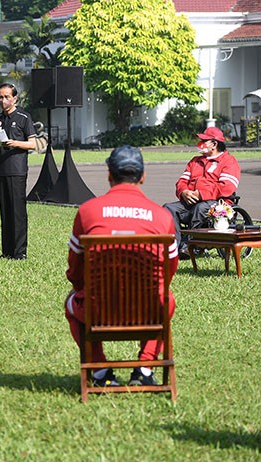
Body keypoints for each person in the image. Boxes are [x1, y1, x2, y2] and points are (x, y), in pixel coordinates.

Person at [65, 145, 179, 387]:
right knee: (167, 300)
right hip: (149, 311)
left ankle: (100, 372)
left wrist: (81, 290)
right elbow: (169, 269)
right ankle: (145, 368)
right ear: (143, 176)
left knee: (71, 303)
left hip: (97, 310)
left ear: (109, 174)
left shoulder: (88, 212)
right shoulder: (161, 217)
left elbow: (75, 268)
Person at [162, 126, 240, 257]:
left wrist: (201, 194)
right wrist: (184, 192)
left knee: (200, 208)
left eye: (204, 141)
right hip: (191, 201)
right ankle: (173, 247)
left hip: (217, 203)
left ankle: (190, 247)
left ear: (214, 144)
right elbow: (181, 182)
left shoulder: (229, 162)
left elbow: (227, 187)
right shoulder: (195, 161)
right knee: (168, 208)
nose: (200, 144)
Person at [0, 83, 36, 260]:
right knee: (5, 211)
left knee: (17, 211)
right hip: (0, 169)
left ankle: (19, 252)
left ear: (15, 98)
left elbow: (33, 143)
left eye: (7, 97)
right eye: (0, 97)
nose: (3, 100)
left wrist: (15, 143)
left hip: (17, 170)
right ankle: (6, 251)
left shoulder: (24, 117)